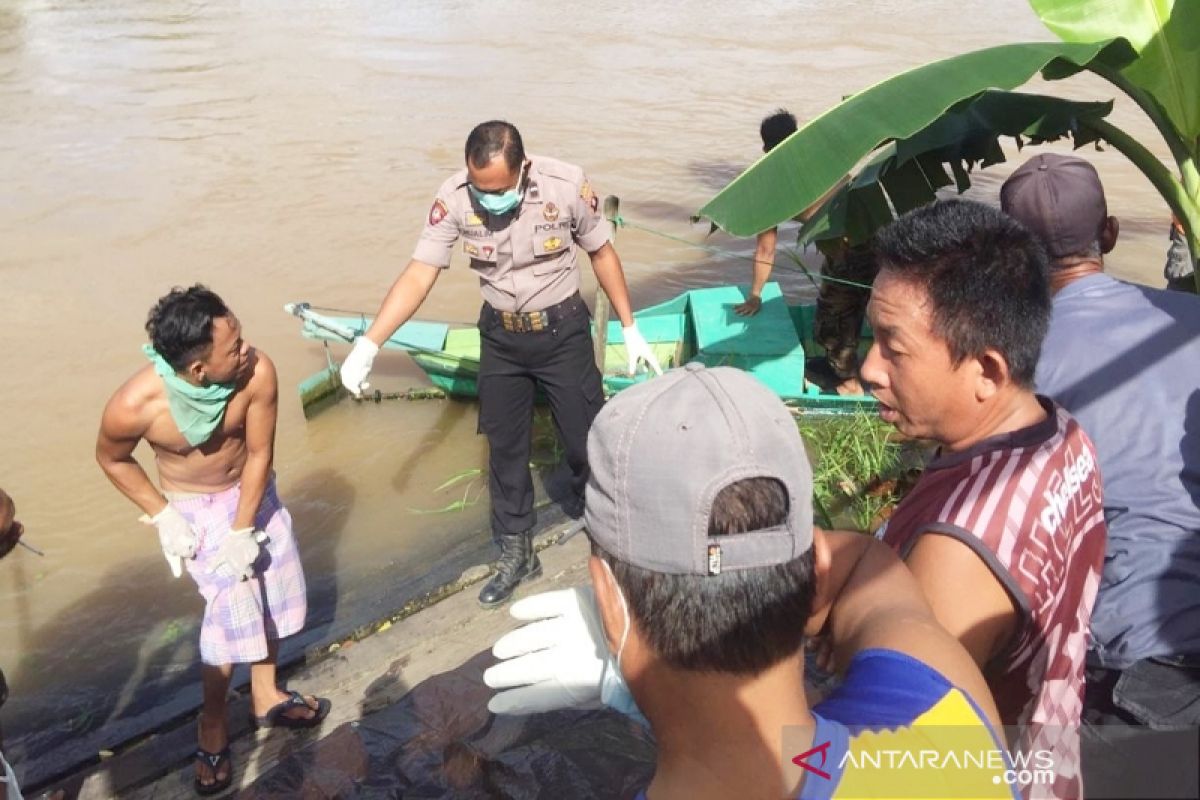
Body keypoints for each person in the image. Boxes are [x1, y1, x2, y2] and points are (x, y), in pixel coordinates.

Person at [484, 365, 1016, 799]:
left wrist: (634, 665)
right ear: (814, 573)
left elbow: (849, 563)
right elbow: (865, 563)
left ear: (609, 606)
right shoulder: (950, 716)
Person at [339, 120, 662, 608]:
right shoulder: (454, 197)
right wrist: (369, 344)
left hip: (562, 332)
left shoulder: (565, 184)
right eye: (478, 188)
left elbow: (602, 252)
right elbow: (421, 271)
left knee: (586, 438)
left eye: (496, 189)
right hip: (502, 338)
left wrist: (630, 326)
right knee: (505, 449)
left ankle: (608, 528)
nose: (486, 199)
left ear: (523, 169)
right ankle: (517, 553)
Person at [861, 199, 1107, 798]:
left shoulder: (956, 556)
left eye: (893, 347)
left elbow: (898, 770)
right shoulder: (1062, 432)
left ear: (988, 372)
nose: (869, 368)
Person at [1001, 154, 1200, 780]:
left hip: (1129, 672)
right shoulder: (1185, 319)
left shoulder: (1009, 367)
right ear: (1109, 235)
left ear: (1012, 256)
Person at [96, 286, 329, 796]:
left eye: (241, 336)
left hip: (253, 495)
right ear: (198, 370)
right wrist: (162, 516)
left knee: (267, 593)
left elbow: (260, 452)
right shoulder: (135, 405)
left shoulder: (257, 371)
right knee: (226, 623)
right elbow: (112, 459)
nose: (246, 350)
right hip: (195, 513)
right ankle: (214, 723)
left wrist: (244, 529)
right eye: (234, 347)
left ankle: (266, 694)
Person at [735, 109, 875, 395]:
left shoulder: (772, 184)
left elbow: (765, 248)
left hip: (852, 249)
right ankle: (838, 366)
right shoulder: (821, 156)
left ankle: (849, 383)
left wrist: (756, 294)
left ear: (765, 148)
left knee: (836, 314)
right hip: (873, 230)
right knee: (844, 305)